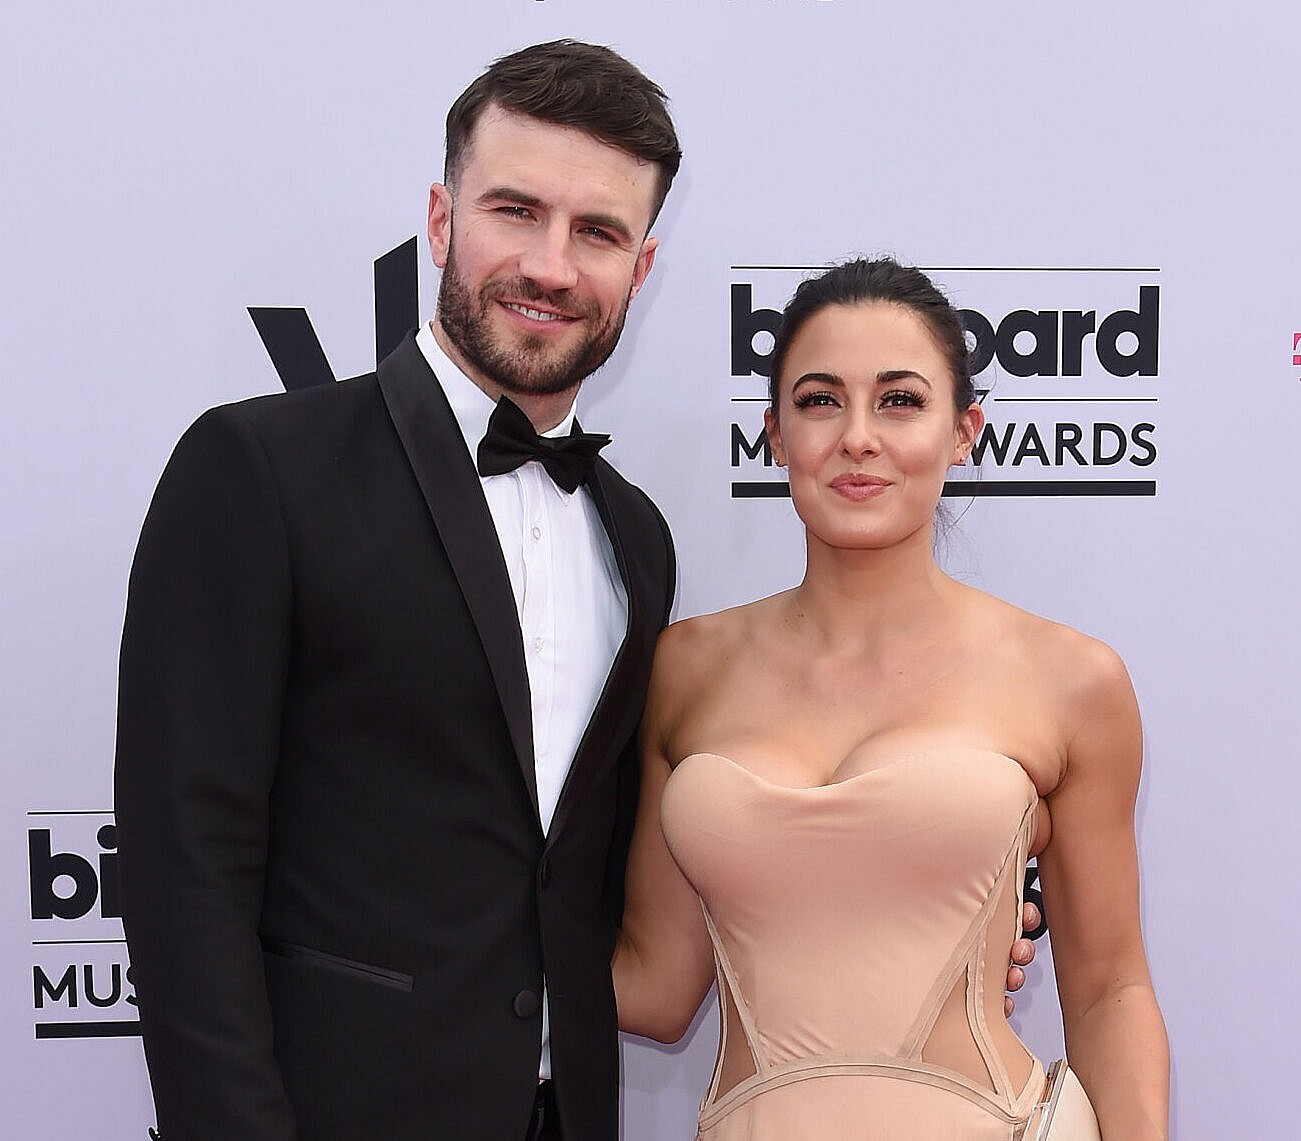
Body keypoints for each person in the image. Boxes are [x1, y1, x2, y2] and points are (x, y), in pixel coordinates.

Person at [115, 40, 680, 1140]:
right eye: (515, 210)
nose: (552, 266)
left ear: (640, 270)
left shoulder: (635, 536)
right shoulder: (260, 469)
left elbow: (610, 867)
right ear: (438, 220)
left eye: (598, 231)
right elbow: (186, 868)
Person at [614, 258, 1169, 1139]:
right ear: (773, 432)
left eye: (901, 400)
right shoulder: (686, 666)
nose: (859, 436)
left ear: (965, 431)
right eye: (820, 399)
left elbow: (1109, 989)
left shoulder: (1072, 679)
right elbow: (655, 985)